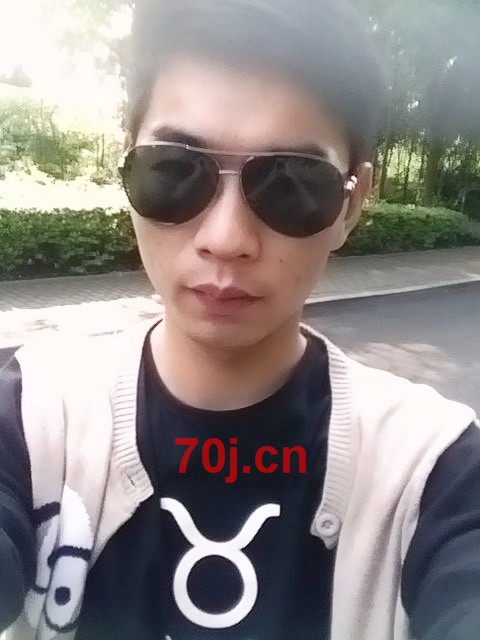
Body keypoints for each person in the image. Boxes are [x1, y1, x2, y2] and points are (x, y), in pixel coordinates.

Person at [0, 1, 479, 639]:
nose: (225, 239)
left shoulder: (431, 470)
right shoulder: (33, 418)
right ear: (126, 163)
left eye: (292, 183)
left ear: (351, 204)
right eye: (175, 169)